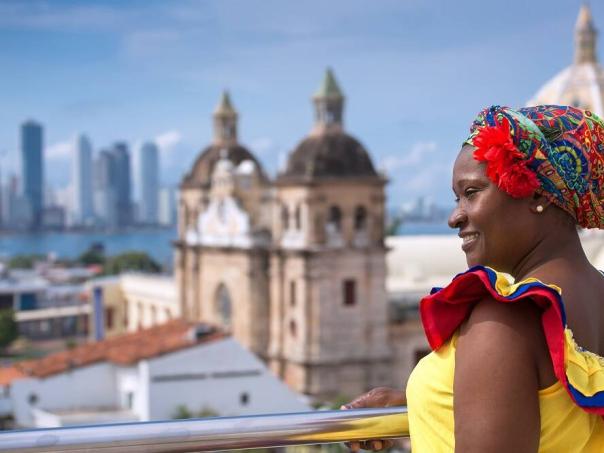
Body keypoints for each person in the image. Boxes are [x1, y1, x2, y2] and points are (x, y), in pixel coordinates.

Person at [344, 105, 604, 452]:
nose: (454, 217)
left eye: (471, 192)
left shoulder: (504, 320)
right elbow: (558, 416)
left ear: (537, 194)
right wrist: (425, 402)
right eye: (457, 198)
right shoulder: (594, 296)